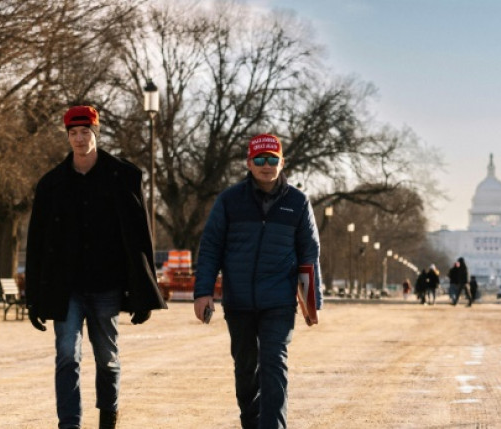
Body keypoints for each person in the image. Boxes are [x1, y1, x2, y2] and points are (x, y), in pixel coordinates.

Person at [25, 105, 167, 429]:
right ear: (67, 137)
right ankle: (70, 424)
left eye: (85, 132)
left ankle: (108, 414)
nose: (79, 139)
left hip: (107, 285)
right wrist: (34, 297)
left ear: (96, 133)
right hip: (67, 287)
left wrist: (144, 292)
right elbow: (37, 244)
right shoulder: (51, 185)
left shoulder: (123, 177)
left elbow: (140, 239)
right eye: (73, 133)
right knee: (66, 354)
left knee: (107, 357)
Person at [193, 133, 323, 429]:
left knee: (273, 364)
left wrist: (311, 302)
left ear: (282, 162)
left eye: (273, 159)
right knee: (246, 369)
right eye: (260, 160)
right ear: (249, 163)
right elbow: (211, 247)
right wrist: (203, 293)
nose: (267, 165)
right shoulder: (229, 200)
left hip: (278, 301)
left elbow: (309, 254)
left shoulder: (298, 203)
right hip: (238, 301)